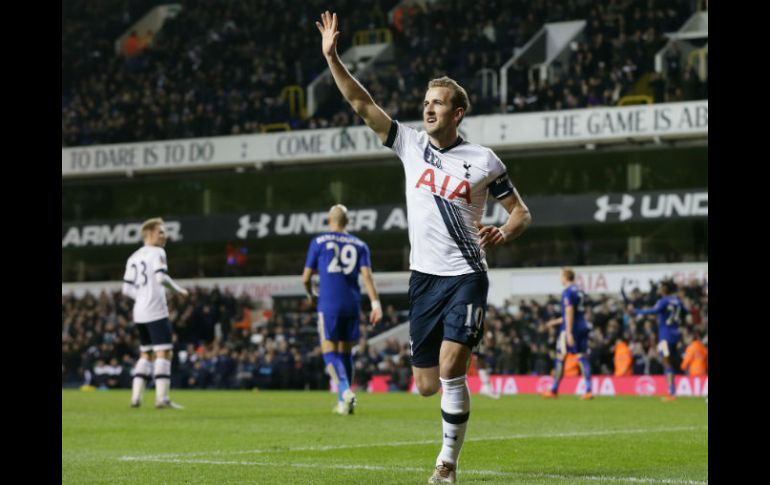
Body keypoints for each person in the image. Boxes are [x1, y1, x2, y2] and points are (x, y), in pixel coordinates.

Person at [316, 11, 532, 483]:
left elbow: (520, 213)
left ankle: (447, 464)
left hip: (467, 275)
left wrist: (503, 232)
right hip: (424, 280)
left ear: (458, 113)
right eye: (426, 101)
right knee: (425, 386)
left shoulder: (484, 161)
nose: (428, 108)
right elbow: (360, 101)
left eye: (438, 103)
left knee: (454, 367)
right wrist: (333, 59)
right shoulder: (410, 145)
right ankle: (449, 435)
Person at [302, 204, 382, 415]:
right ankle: (343, 404)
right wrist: (376, 304)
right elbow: (367, 277)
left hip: (329, 302)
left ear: (330, 220)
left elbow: (306, 277)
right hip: (352, 304)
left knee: (329, 351)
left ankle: (345, 390)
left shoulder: (318, 242)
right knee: (345, 353)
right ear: (347, 222)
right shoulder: (360, 244)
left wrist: (310, 294)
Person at [122, 218, 188, 409]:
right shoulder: (158, 252)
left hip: (139, 311)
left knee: (146, 353)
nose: (164, 235)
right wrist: (179, 290)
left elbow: (126, 290)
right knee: (164, 352)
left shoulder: (133, 257)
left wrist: (141, 297)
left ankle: (136, 398)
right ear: (149, 233)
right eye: (160, 232)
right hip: (156, 310)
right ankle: (162, 399)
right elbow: (161, 277)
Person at [623, 280, 686, 401]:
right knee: (671, 361)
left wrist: (635, 310)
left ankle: (671, 392)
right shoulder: (678, 301)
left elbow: (652, 311)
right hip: (676, 335)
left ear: (665, 289)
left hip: (665, 337)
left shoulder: (663, 301)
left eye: (661, 287)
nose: (659, 289)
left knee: (666, 361)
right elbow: (685, 313)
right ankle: (672, 390)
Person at [542, 268, 593, 400]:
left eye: (561, 276)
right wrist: (553, 322)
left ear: (565, 277)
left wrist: (569, 332)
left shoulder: (567, 292)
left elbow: (569, 310)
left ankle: (553, 390)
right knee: (582, 356)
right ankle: (588, 389)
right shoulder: (580, 291)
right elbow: (575, 312)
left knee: (560, 356)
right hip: (582, 326)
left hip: (570, 329)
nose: (560, 278)